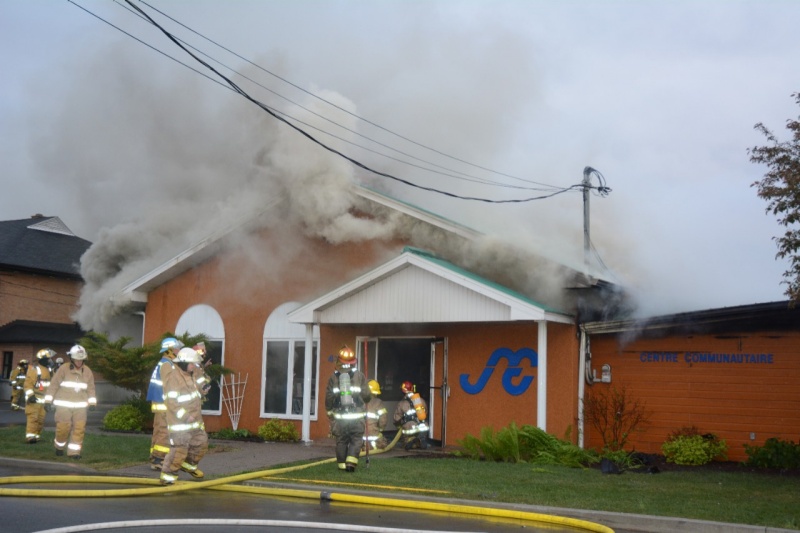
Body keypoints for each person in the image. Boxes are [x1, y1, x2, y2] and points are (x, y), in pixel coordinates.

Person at [160, 347, 208, 485]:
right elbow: (171, 402)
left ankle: (187, 466)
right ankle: (168, 478)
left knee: (201, 444)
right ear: (183, 363)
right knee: (178, 451)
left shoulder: (190, 374)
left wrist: (203, 389)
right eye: (191, 363)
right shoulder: (174, 378)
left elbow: (196, 391)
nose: (193, 366)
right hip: (180, 425)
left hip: (195, 423)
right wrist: (186, 416)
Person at [43, 345, 97, 459]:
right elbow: (54, 385)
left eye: (81, 359)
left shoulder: (87, 371)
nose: (79, 361)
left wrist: (92, 403)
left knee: (79, 428)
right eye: (77, 359)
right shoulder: (63, 369)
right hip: (64, 405)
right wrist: (48, 401)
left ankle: (74, 453)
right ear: (71, 358)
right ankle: (59, 446)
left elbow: (91, 388)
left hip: (80, 407)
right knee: (63, 428)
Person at [325, 345, 371, 472]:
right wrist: (365, 399)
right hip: (356, 416)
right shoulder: (360, 376)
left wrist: (329, 411)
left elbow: (329, 397)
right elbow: (367, 396)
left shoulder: (333, 378)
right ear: (353, 362)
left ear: (339, 361)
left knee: (341, 440)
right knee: (356, 439)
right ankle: (351, 464)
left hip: (340, 417)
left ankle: (341, 465)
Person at [146, 337, 184, 470]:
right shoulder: (168, 365)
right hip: (164, 404)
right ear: (170, 350)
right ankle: (159, 459)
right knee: (164, 432)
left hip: (159, 403)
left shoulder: (163, 363)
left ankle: (155, 456)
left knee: (158, 430)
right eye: (177, 348)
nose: (179, 350)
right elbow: (170, 386)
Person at [23, 349, 54, 443]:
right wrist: (31, 395)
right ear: (42, 360)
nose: (49, 361)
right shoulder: (34, 370)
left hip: (43, 399)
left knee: (41, 420)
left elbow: (53, 384)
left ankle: (36, 436)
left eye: (49, 359)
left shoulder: (49, 371)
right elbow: (27, 384)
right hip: (35, 399)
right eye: (47, 359)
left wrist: (54, 370)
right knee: (33, 418)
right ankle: (30, 437)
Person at [393, 381, 430, 450]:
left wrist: (399, 427)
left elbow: (396, 419)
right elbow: (426, 412)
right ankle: (420, 439)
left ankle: (411, 442)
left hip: (409, 431)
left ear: (403, 391)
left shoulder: (402, 403)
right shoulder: (421, 400)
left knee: (405, 443)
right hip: (422, 429)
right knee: (420, 437)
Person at [363, 379, 388, 451]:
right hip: (374, 432)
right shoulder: (378, 402)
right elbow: (383, 419)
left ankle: (365, 446)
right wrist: (380, 429)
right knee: (383, 444)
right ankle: (373, 446)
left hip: (361, 434)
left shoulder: (361, 401)